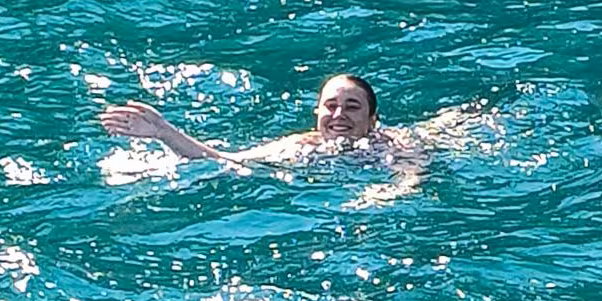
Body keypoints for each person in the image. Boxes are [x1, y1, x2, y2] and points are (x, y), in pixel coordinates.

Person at [101, 73, 416, 168]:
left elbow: (414, 172)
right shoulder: (301, 146)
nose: (338, 115)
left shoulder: (390, 144)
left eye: (352, 107)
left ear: (373, 120)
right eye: (330, 106)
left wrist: (387, 194)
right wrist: (163, 131)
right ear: (317, 114)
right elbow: (226, 160)